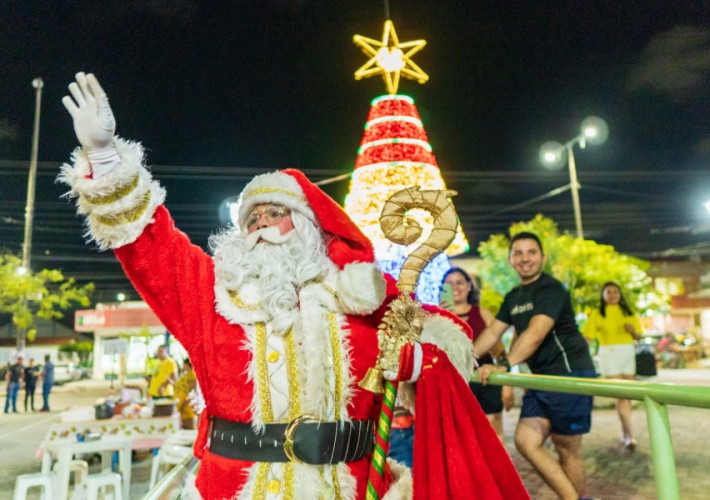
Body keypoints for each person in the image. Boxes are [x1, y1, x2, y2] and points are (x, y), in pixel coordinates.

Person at [58, 72, 527, 499]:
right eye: (252, 219)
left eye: (275, 214)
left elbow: (450, 337)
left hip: (350, 487)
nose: (260, 225)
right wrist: (104, 156)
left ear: (307, 227)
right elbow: (150, 245)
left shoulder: (358, 292)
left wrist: (419, 359)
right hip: (237, 487)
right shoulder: (213, 294)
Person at [475, 231, 597, 500]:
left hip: (569, 374)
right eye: (518, 253)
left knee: (566, 448)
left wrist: (505, 365)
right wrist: (463, 360)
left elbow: (536, 333)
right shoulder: (513, 296)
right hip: (542, 378)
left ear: (542, 257)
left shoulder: (550, 289)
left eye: (531, 252)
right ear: (510, 260)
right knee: (526, 441)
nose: (525, 258)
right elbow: (492, 333)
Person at [440, 267, 514, 440]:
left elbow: (500, 352)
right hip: (453, 384)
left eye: (459, 282)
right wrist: (443, 316)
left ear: (469, 286)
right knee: (458, 438)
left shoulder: (482, 313)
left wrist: (507, 384)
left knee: (493, 437)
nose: (455, 287)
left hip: (484, 379)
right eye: (449, 284)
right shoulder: (436, 316)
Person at [582, 281, 643, 450]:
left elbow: (639, 336)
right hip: (609, 354)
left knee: (627, 395)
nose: (612, 295)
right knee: (621, 395)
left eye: (615, 291)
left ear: (620, 294)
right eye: (608, 292)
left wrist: (633, 331)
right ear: (603, 295)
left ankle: (626, 432)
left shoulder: (628, 312)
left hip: (627, 353)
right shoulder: (597, 314)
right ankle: (630, 435)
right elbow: (587, 337)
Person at [175, 358, 198, 430]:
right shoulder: (186, 374)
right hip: (181, 405)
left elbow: (191, 393)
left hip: (186, 407)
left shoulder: (192, 375)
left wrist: (183, 405)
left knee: (189, 429)